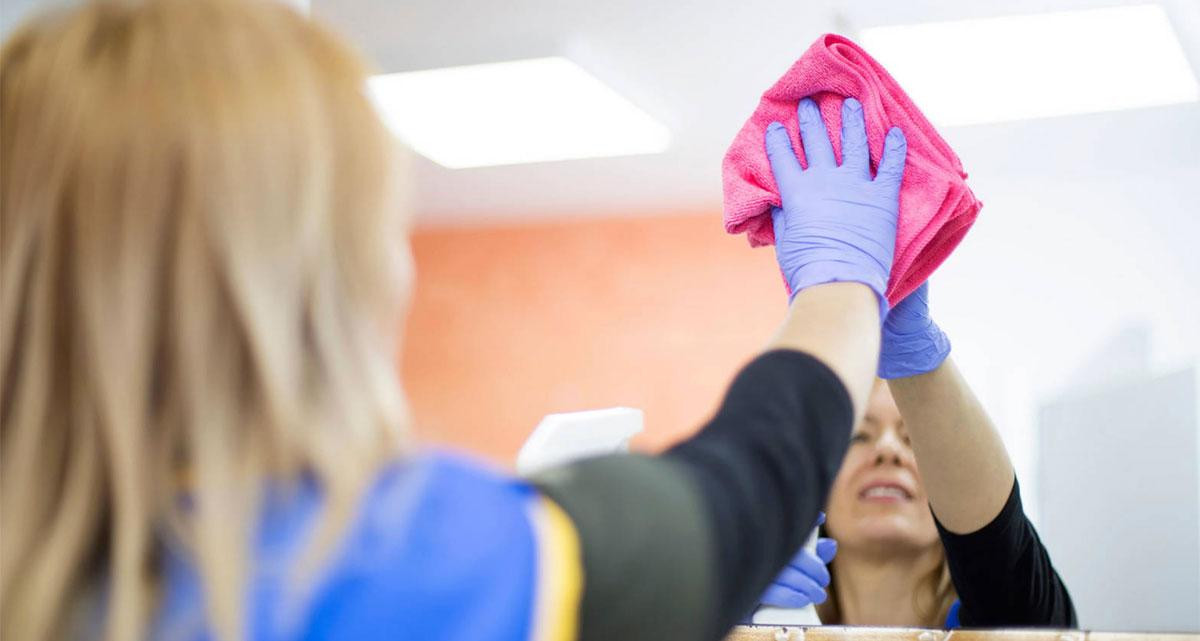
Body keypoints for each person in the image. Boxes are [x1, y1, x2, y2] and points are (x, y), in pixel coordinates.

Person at [0, 1, 910, 640]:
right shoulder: (397, 561)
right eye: (376, 226)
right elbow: (743, 487)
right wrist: (841, 283)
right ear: (310, 287)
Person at [753, 111, 1077, 625]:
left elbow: (998, 545)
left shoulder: (1013, 621)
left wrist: (912, 354)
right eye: (859, 437)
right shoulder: (761, 627)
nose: (886, 451)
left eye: (913, 440)